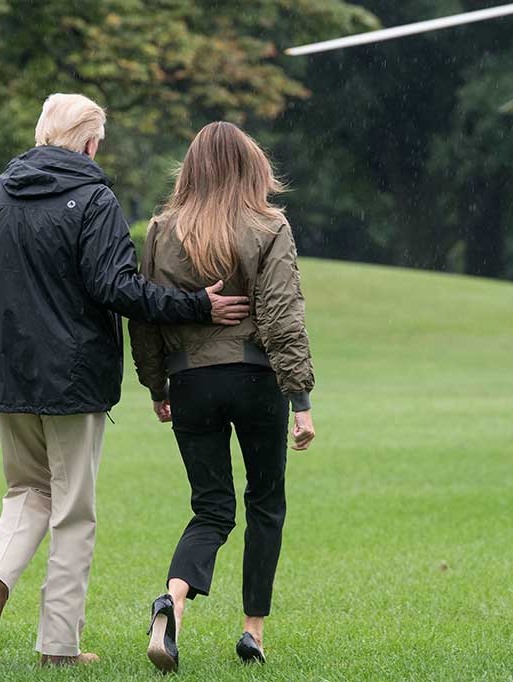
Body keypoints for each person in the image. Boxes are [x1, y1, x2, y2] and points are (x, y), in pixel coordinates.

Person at [0, 94, 252, 667]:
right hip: (74, 383)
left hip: (5, 381)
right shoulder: (94, 200)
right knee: (73, 512)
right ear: (89, 142)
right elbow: (118, 289)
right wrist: (196, 306)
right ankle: (59, 646)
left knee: (26, 491)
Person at [129, 121, 316, 672]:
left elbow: (144, 313)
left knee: (210, 508)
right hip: (257, 380)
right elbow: (282, 314)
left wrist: (156, 383)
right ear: (250, 167)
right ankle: (252, 631)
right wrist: (300, 397)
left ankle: (175, 602)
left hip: (190, 383)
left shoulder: (162, 229)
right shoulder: (268, 225)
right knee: (266, 502)